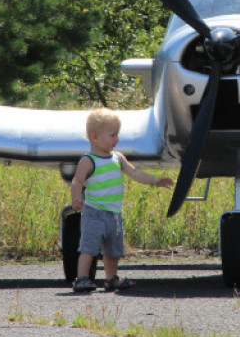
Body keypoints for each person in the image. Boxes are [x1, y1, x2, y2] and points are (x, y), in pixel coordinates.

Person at [69, 107, 173, 292]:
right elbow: (77, 181)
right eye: (113, 135)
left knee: (113, 250)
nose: (117, 140)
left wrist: (156, 181)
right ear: (95, 137)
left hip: (114, 213)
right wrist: (76, 197)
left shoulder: (117, 157)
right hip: (94, 213)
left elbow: (134, 172)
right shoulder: (88, 160)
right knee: (89, 247)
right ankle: (82, 278)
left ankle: (111, 278)